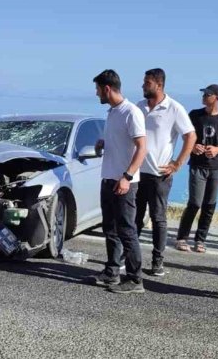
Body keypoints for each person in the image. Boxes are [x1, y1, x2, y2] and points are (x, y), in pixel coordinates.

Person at [134, 69, 196, 277]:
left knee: (157, 218)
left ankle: (157, 261)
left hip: (159, 174)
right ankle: (131, 259)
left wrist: (177, 163)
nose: (143, 86)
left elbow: (190, 136)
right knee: (134, 217)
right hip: (136, 171)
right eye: (144, 82)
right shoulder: (139, 106)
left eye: (147, 83)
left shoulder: (174, 108)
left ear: (159, 85)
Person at [90, 69, 147, 294]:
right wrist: (104, 142)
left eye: (97, 90)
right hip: (109, 178)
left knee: (127, 231)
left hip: (125, 183)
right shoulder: (112, 112)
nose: (96, 94)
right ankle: (112, 271)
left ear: (107, 88)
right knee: (110, 229)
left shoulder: (131, 112)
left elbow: (142, 148)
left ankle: (135, 279)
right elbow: (122, 141)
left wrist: (127, 177)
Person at [176, 84, 218, 253]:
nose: (204, 96)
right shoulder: (195, 115)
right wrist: (193, 147)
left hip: (217, 167)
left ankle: (200, 240)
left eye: (207, 94)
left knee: (209, 204)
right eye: (203, 93)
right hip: (197, 165)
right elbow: (186, 135)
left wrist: (217, 149)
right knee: (194, 202)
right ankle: (182, 238)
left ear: (217, 97)